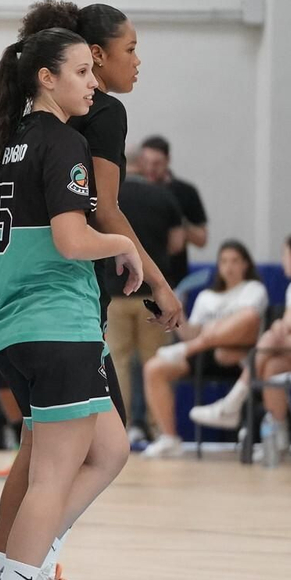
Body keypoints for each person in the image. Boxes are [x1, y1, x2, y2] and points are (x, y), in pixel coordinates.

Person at [0, 0, 182, 580]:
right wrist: (123, 249)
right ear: (46, 77)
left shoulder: (4, 144)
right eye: (82, 72)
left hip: (20, 325)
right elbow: (72, 236)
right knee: (51, 479)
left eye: (92, 71)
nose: (92, 84)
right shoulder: (64, 142)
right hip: (58, 322)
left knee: (108, 449)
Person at [190, 233, 291, 435]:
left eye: (283, 254)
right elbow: (286, 325)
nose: (282, 260)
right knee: (272, 366)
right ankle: (279, 437)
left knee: (271, 339)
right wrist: (281, 326)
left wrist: (283, 327)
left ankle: (232, 403)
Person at [140, 240, 269, 458]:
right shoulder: (206, 296)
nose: (229, 267)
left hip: (240, 355)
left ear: (245, 264)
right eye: (224, 261)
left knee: (244, 322)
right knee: (154, 368)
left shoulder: (253, 289)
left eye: (235, 261)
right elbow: (193, 333)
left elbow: (250, 324)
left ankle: (187, 349)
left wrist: (211, 332)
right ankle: (169, 439)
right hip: (203, 355)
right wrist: (178, 313)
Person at [104, 147, 184, 439]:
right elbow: (177, 243)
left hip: (115, 291)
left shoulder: (109, 198)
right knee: (155, 360)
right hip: (153, 293)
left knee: (119, 361)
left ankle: (121, 428)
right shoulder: (163, 196)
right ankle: (158, 429)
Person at [139, 135, 208, 289]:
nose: (150, 168)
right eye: (146, 162)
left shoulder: (185, 192)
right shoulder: (132, 191)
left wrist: (177, 224)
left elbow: (202, 239)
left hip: (173, 275)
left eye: (156, 163)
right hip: (138, 274)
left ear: (167, 160)